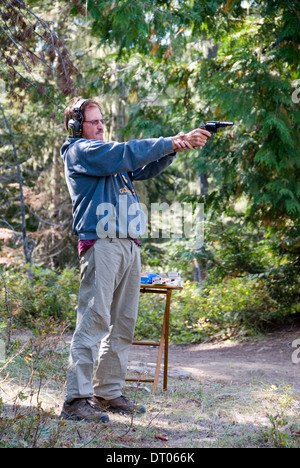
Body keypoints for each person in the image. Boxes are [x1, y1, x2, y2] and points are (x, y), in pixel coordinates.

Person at [60, 96, 211, 423]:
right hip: (102, 243)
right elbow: (126, 153)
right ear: (76, 126)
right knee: (94, 319)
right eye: (94, 121)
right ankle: (75, 400)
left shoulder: (108, 157)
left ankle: (108, 392)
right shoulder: (81, 152)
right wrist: (170, 140)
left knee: (124, 322)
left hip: (128, 244)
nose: (101, 126)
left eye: (102, 120)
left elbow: (143, 165)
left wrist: (176, 147)